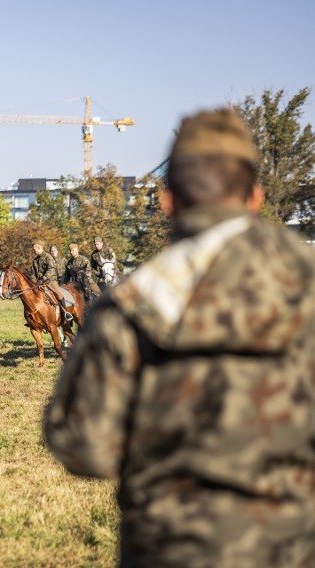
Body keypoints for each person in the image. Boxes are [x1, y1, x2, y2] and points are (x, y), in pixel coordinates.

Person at [44, 108, 315, 566]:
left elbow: (82, 446)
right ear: (254, 197)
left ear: (168, 201)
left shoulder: (132, 303)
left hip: (170, 550)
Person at [30, 241, 73, 322]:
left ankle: (66, 313)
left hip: (50, 281)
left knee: (58, 293)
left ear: (39, 248)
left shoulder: (48, 257)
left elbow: (51, 270)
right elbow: (32, 273)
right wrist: (34, 282)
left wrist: (43, 279)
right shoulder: (35, 260)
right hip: (39, 282)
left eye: (34, 249)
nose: (33, 251)